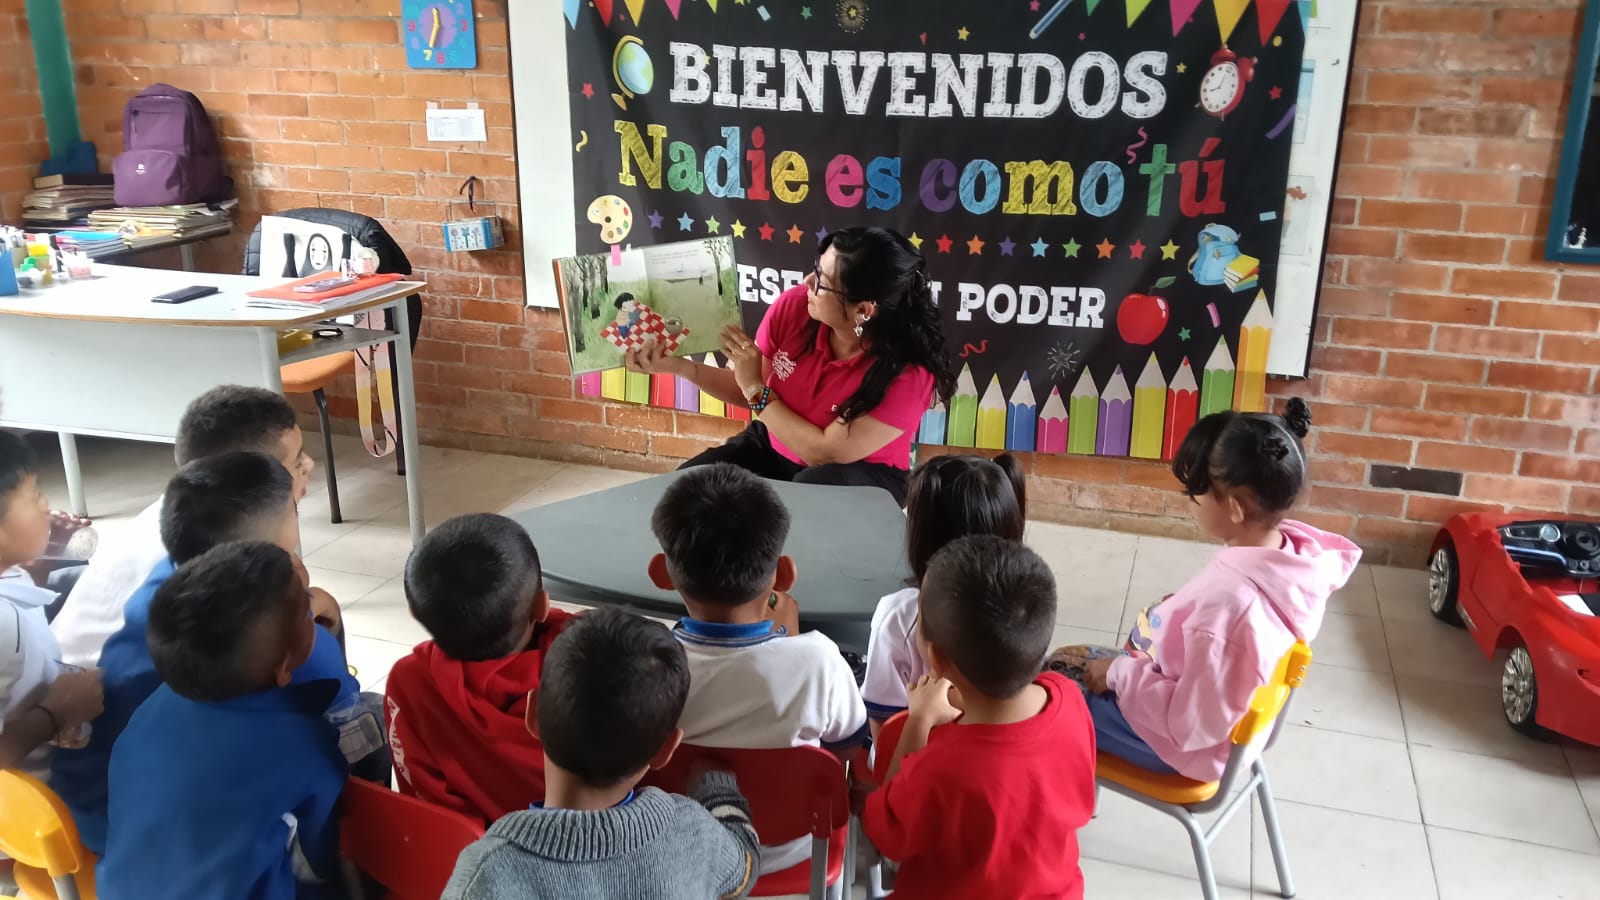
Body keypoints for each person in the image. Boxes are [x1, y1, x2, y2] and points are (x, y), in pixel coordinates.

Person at [52, 451, 357, 855]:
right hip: (152, 840)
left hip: (90, 817)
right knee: (362, 725)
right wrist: (318, 618)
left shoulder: (159, 594)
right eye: (294, 512)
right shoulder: (281, 643)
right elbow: (339, 709)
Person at [1056, 399, 1360, 781]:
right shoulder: (1294, 560)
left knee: (1045, 695)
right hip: (1218, 722)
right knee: (1068, 662)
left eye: (1196, 492)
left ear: (1235, 507)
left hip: (1182, 747)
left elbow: (1188, 724)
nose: (1191, 502)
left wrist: (1119, 673)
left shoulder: (1229, 609)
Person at [442, 608, 759, 900]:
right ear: (665, 750)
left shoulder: (486, 876)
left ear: (533, 713)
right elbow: (743, 871)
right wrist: (718, 791)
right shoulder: (693, 832)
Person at [625, 227, 956, 505]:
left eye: (822, 281)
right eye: (815, 268)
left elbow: (822, 453)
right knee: (687, 492)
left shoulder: (909, 372)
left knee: (803, 500)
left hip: (860, 474)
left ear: (863, 310)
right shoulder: (795, 307)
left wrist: (755, 390)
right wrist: (680, 367)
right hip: (774, 446)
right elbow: (747, 387)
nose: (808, 281)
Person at [649, 463, 867, 875]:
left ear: (660, 573)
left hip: (677, 849)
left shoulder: (640, 665)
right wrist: (791, 642)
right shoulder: (819, 661)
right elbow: (847, 751)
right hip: (795, 848)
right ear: (784, 575)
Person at [99, 542, 348, 899]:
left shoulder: (149, 710)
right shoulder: (306, 744)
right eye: (306, 607)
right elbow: (316, 861)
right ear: (283, 668)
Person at [859, 536, 1096, 899]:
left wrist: (919, 721)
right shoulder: (1069, 698)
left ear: (936, 658)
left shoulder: (941, 765)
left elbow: (887, 837)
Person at [52, 385, 315, 668]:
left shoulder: (186, 511)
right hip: (99, 686)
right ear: (250, 479)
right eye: (297, 461)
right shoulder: (221, 551)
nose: (309, 465)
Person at [385, 513, 576, 825]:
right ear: (542, 606)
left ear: (414, 613)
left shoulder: (409, 683)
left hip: (482, 850)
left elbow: (430, 806)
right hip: (594, 845)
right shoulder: (594, 660)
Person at [861, 453, 1027, 733]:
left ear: (921, 538)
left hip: (914, 752)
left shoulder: (900, 616)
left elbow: (883, 728)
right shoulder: (1026, 610)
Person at [0, 432, 103, 772]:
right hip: (32, 789)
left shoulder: (9, 576)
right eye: (33, 497)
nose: (45, 505)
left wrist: (39, 565)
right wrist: (56, 713)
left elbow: (22, 614)